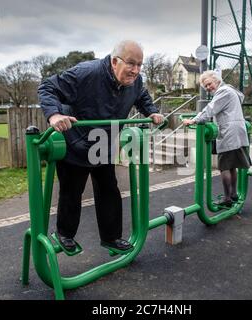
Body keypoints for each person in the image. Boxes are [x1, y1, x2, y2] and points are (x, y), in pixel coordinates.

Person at [38, 40, 164, 253]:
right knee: (72, 191)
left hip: (103, 144)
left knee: (109, 190)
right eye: (131, 63)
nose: (136, 70)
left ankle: (111, 238)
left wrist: (150, 111)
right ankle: (64, 234)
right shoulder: (87, 73)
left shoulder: (135, 80)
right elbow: (47, 87)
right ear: (115, 61)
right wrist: (55, 114)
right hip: (76, 143)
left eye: (140, 64)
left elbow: (140, 94)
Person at [182, 70, 251, 208]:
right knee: (232, 166)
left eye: (209, 84)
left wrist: (194, 120)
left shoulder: (223, 92)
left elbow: (210, 109)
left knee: (224, 166)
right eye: (205, 86)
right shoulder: (230, 91)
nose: (208, 87)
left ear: (216, 80)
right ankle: (233, 195)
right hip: (237, 131)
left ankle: (227, 198)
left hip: (229, 132)